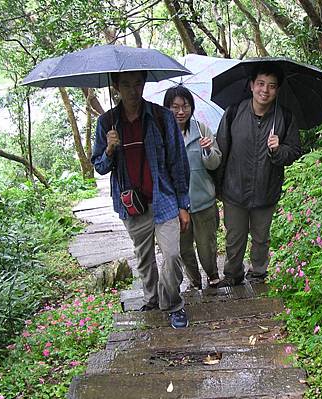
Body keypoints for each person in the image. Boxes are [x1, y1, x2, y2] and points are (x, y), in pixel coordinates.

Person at [91, 71, 191, 329]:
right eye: (126, 84)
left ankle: (173, 303)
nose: (133, 90)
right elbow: (100, 167)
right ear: (116, 87)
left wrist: (183, 205)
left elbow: (178, 163)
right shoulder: (107, 123)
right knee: (144, 257)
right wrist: (110, 149)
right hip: (131, 204)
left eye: (138, 83)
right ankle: (151, 299)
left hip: (164, 198)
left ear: (144, 84)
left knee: (171, 255)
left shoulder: (162, 117)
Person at [215, 63, 302, 287]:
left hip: (266, 189)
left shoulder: (284, 117)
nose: (265, 90)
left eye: (272, 86)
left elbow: (293, 152)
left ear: (277, 90)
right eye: (261, 84)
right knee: (234, 238)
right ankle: (233, 275)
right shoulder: (234, 112)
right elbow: (222, 149)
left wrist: (278, 149)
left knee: (261, 237)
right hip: (234, 188)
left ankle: (259, 273)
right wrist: (218, 186)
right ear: (252, 85)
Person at [163, 86, 222, 290]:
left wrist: (208, 151)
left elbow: (214, 163)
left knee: (207, 245)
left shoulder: (202, 129)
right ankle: (194, 280)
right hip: (177, 206)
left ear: (191, 107)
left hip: (203, 199)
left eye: (185, 106)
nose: (181, 111)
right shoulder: (163, 134)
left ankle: (213, 274)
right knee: (184, 248)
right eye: (175, 107)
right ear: (167, 108)